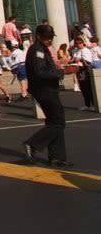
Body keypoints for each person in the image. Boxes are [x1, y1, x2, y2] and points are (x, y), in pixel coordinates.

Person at [23, 24, 75, 167]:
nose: (49, 40)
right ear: (38, 36)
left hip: (46, 89)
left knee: (54, 122)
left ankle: (57, 157)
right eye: (46, 37)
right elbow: (40, 72)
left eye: (51, 37)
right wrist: (62, 73)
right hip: (44, 89)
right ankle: (33, 143)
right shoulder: (37, 50)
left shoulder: (42, 49)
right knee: (58, 122)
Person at [71, 37, 96, 111]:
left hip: (85, 70)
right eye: (77, 43)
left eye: (80, 43)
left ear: (83, 43)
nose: (78, 45)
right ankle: (87, 104)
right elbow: (73, 59)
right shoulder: (76, 51)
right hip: (79, 70)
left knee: (88, 88)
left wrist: (81, 59)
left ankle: (93, 104)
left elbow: (89, 62)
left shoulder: (86, 50)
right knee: (83, 88)